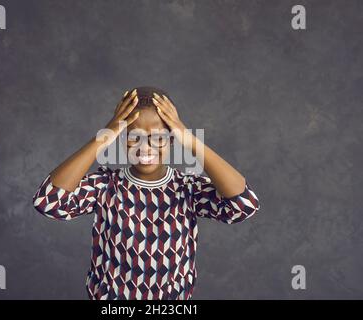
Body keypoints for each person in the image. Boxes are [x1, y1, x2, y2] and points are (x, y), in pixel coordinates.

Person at [32, 86, 261, 300]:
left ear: (173, 140)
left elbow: (244, 205)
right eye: (133, 136)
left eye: (159, 137)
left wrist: (190, 139)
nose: (145, 147)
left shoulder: (188, 189)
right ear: (120, 138)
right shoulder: (105, 186)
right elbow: (49, 202)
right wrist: (106, 133)